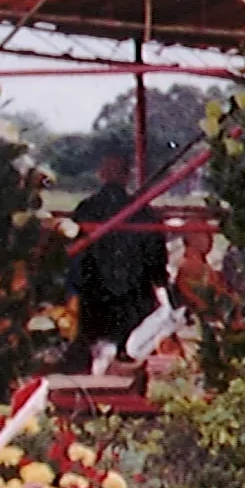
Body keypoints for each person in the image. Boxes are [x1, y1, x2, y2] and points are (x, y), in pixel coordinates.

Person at [66, 159, 169, 371]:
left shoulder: (86, 209)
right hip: (135, 298)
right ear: (127, 176)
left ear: (101, 175)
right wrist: (160, 283)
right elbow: (157, 259)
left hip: (95, 298)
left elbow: (76, 257)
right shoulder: (144, 212)